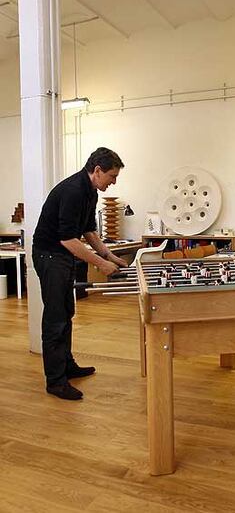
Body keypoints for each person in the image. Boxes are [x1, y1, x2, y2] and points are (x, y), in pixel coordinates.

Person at [32, 147, 128, 400]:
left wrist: (110, 256)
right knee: (55, 317)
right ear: (97, 171)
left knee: (67, 312)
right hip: (49, 255)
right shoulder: (74, 190)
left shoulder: (91, 192)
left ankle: (67, 365)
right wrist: (101, 264)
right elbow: (67, 239)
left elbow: (88, 231)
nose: (114, 182)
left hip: (61, 255)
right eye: (112, 176)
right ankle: (55, 381)